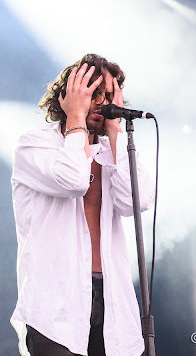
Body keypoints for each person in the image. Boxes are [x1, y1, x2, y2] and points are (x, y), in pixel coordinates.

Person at [10, 54, 156, 356]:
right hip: (56, 304)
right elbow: (73, 181)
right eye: (93, 92)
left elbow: (136, 201)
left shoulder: (109, 150)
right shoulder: (34, 145)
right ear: (69, 96)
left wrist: (115, 132)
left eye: (108, 95)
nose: (101, 102)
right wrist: (76, 118)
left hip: (113, 300)